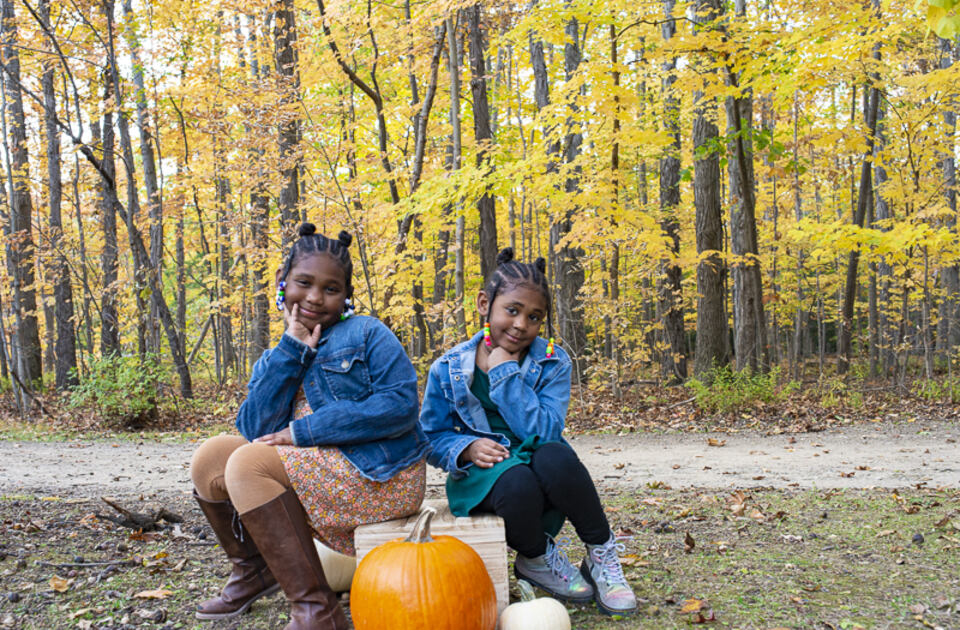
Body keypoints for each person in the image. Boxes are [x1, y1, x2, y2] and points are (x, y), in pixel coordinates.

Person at [189, 224, 428, 630]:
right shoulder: (275, 355)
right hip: (318, 473)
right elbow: (254, 428)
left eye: (331, 289)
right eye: (304, 283)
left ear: (346, 295)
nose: (316, 297)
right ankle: (254, 570)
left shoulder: (368, 333)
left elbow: (401, 406)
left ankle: (318, 610)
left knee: (247, 465)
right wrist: (293, 349)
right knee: (211, 458)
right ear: (283, 283)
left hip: (378, 475)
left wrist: (306, 432)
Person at [419, 248, 637, 617]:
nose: (521, 324)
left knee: (557, 455)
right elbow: (430, 436)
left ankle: (601, 554)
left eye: (534, 317)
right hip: (486, 476)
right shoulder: (449, 368)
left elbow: (546, 430)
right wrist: (467, 448)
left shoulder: (552, 361)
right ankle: (535, 557)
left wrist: (506, 375)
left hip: (540, 463)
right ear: (485, 303)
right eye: (513, 310)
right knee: (516, 479)